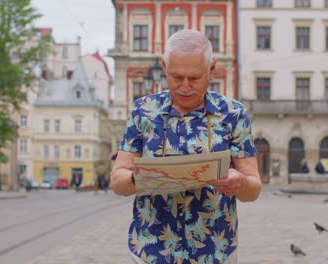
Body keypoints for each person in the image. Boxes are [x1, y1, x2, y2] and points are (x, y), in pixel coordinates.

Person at [110, 29, 262, 264]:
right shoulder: (143, 111)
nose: (185, 87)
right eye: (176, 77)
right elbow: (117, 181)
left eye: (194, 78)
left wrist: (238, 182)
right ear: (164, 67)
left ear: (211, 69)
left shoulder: (233, 114)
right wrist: (141, 177)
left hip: (214, 252)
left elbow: (253, 189)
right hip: (151, 251)